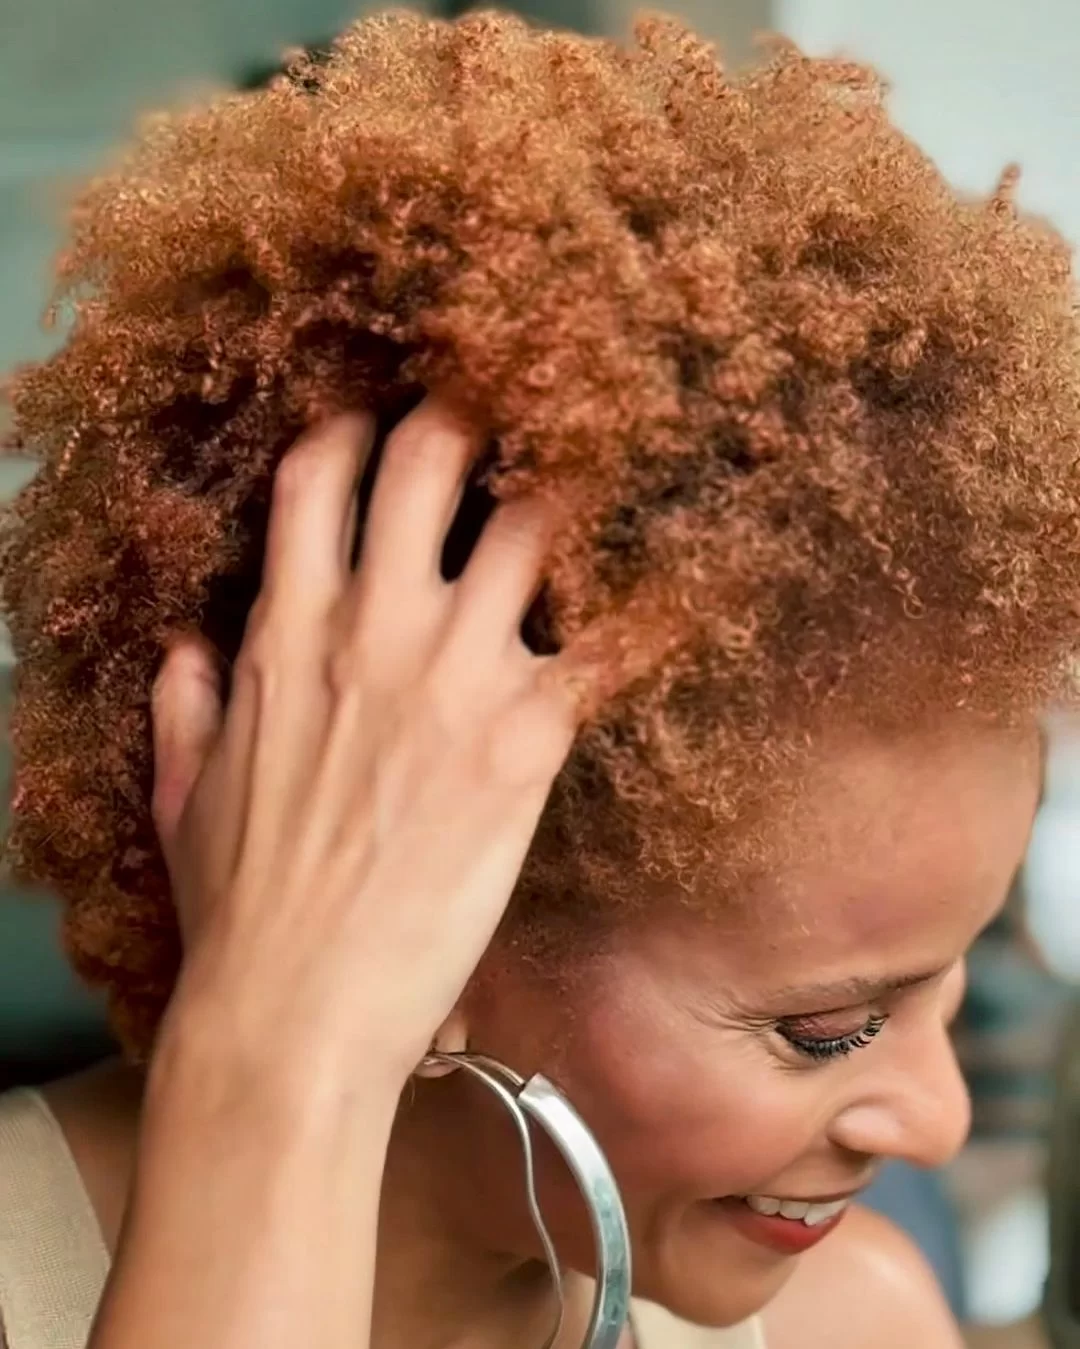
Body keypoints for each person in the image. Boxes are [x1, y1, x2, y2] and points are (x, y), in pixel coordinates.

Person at [1, 10, 1079, 1348]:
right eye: (828, 1027)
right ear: (420, 909)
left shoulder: (854, 1327)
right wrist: (287, 1065)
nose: (939, 1119)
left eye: (947, 980)